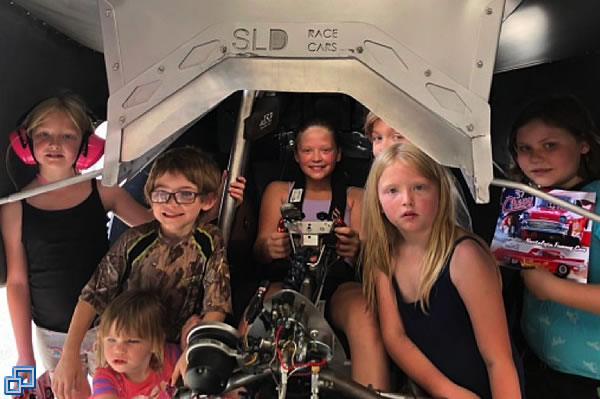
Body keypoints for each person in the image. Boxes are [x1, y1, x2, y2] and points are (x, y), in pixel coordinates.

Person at [0, 94, 154, 396]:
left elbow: (155, 226)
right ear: (26, 142)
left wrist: (209, 210)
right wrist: (25, 357)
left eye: (67, 135)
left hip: (108, 328)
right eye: (43, 134)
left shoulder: (104, 191)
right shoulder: (14, 208)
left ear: (86, 145)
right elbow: (17, 283)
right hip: (50, 333)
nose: (54, 143)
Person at [51, 146, 233, 399]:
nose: (171, 203)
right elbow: (93, 294)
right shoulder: (133, 239)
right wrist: (69, 355)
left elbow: (217, 302)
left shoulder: (210, 240)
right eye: (162, 194)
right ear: (149, 196)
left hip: (176, 352)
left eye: (185, 195)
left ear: (208, 200)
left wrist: (196, 349)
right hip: (129, 348)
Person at [360, 143, 522, 399]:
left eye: (419, 187)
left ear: (440, 192)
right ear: (377, 202)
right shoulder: (384, 256)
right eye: (392, 190)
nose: (407, 200)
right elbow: (395, 338)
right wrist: (447, 391)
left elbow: (499, 359)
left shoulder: (464, 256)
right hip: (440, 391)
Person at [252, 119, 390, 390]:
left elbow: (369, 258)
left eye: (325, 150)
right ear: (296, 155)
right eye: (307, 151)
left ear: (338, 154)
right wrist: (270, 248)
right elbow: (258, 251)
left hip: (337, 285)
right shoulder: (279, 192)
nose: (316, 158)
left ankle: (371, 392)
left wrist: (357, 249)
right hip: (287, 282)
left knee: (366, 314)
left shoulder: (356, 197)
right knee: (258, 314)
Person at [507, 95, 600, 398]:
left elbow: (543, 286)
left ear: (583, 144)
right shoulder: (527, 201)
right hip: (535, 362)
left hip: (587, 379)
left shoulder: (597, 204)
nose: (535, 158)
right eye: (525, 148)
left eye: (550, 145)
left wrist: (552, 290)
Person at [92, 290, 179, 399]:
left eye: (131, 341)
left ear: (155, 342)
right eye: (111, 340)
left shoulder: (170, 357)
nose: (118, 350)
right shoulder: (105, 378)